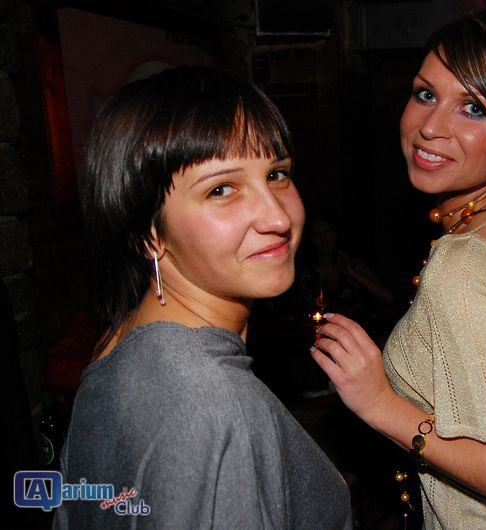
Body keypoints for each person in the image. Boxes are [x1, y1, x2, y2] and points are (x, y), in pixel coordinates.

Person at [55, 67, 352, 529]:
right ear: (148, 234)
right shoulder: (212, 406)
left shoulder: (122, 344)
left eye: (277, 174)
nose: (277, 217)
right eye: (221, 189)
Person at [311, 14, 486, 529]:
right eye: (426, 94)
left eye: (473, 108)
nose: (430, 127)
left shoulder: (466, 268)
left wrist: (381, 405)